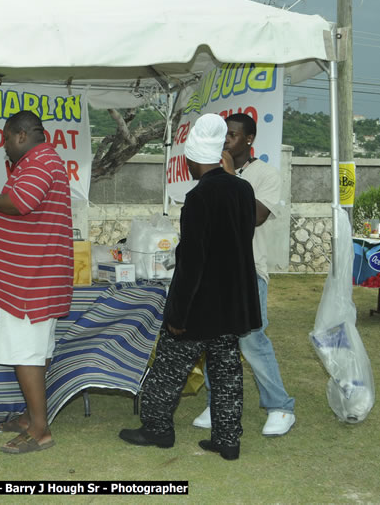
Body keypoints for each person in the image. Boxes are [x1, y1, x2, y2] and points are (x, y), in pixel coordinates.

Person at [119, 113, 261, 461]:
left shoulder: (199, 197)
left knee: (168, 367)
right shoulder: (243, 189)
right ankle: (228, 440)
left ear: (189, 158)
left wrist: (177, 312)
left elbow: (193, 261)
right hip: (233, 303)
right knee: (227, 371)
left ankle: (156, 429)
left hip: (200, 304)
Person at [0, 109, 73, 455]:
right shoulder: (39, 161)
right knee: (33, 352)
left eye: (4, 139)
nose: (3, 147)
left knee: (27, 354)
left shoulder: (40, 161)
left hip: (29, 282)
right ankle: (32, 418)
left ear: (21, 135)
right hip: (29, 277)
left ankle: (40, 431)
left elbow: (20, 202)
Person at [192, 112, 296, 437]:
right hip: (215, 270)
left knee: (251, 340)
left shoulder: (266, 175)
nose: (226, 141)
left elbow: (254, 217)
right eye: (223, 135)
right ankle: (217, 403)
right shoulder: (209, 174)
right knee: (216, 339)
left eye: (232, 135)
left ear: (248, 139)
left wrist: (226, 179)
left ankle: (280, 407)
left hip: (249, 271)